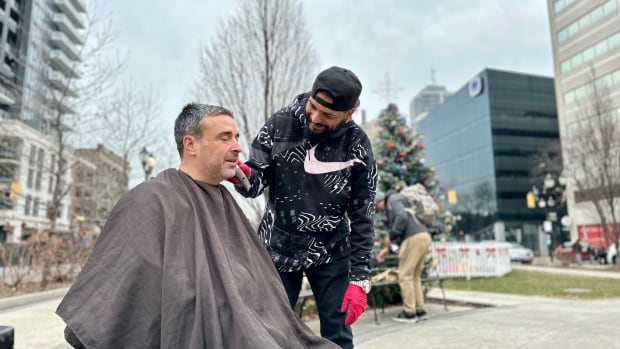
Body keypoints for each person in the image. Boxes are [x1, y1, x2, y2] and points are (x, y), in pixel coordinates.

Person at [56, 103, 339, 349]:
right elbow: (127, 281)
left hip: (257, 331)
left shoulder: (225, 200)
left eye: (237, 137)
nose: (238, 146)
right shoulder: (151, 199)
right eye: (224, 137)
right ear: (190, 144)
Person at [230, 66, 377, 348]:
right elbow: (256, 179)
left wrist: (359, 277)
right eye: (313, 107)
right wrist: (241, 174)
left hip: (331, 250)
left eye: (328, 116)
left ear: (349, 114)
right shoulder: (280, 124)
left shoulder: (358, 144)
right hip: (278, 248)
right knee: (270, 331)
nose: (316, 118)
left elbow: (362, 212)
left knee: (337, 334)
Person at [374, 189, 432, 323]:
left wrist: (391, 235)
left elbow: (402, 217)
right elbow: (403, 225)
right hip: (423, 236)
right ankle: (420, 310)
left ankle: (409, 313)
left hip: (413, 238)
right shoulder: (398, 200)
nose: (378, 209)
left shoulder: (392, 199)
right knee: (414, 275)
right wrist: (387, 249)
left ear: (379, 201)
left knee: (405, 275)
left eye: (377, 206)